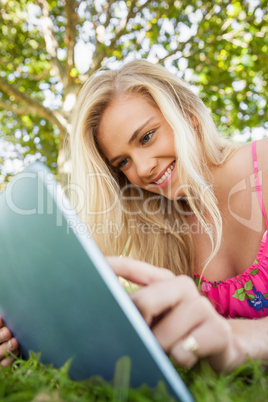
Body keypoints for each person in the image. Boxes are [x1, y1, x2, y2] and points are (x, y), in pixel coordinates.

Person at [1, 59, 268, 372]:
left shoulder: (262, 163)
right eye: (122, 163)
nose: (142, 169)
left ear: (189, 114)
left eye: (146, 137)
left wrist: (241, 339)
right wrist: (22, 336)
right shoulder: (160, 233)